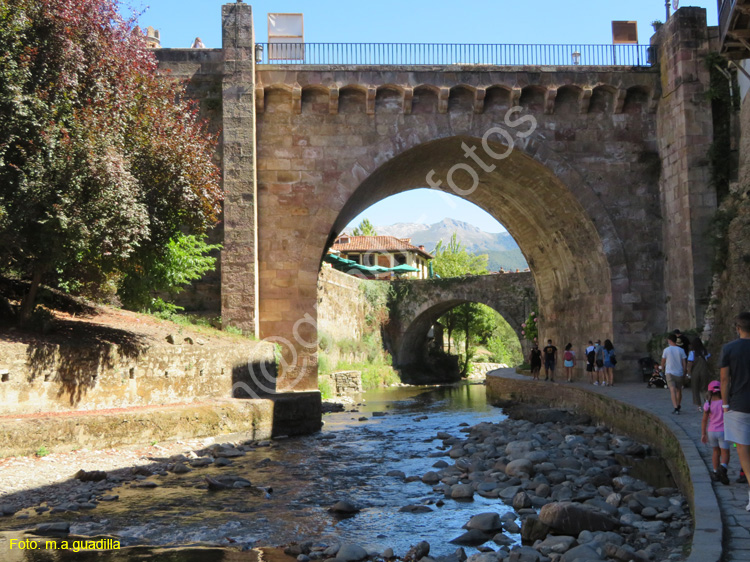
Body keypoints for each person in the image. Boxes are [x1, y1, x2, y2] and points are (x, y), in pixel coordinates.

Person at [720, 312, 750, 510]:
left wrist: (724, 404)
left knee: (743, 449)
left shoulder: (729, 349)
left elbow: (724, 379)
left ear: (737, 328)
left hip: (738, 404)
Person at [701, 380, 730, 485]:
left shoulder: (708, 404)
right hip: (723, 431)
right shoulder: (724, 403)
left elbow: (704, 420)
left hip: (711, 431)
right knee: (725, 452)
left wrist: (703, 434)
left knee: (715, 452)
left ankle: (715, 472)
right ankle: (723, 468)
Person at [662, 333, 688, 414]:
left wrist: (662, 368)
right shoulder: (681, 350)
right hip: (679, 372)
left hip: (669, 372)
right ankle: (678, 404)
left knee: (672, 390)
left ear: (669, 340)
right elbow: (684, 362)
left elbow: (663, 361)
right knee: (678, 390)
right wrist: (684, 371)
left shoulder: (666, 350)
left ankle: (675, 407)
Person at [689, 336, 712, 410]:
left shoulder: (692, 353)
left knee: (695, 388)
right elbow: (709, 360)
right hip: (704, 371)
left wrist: (688, 373)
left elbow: (690, 363)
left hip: (695, 372)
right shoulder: (705, 352)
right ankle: (707, 402)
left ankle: (698, 405)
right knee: (704, 388)